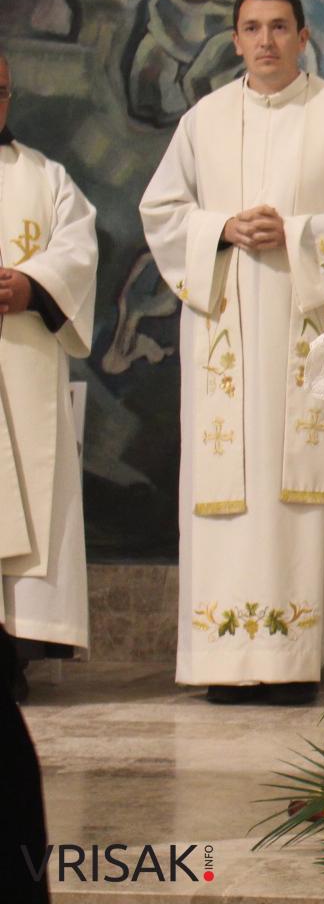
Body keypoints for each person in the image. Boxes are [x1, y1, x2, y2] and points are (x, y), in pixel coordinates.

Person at [140, 0, 324, 704]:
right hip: (226, 337)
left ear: (305, 35)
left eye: (279, 27)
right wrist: (220, 229)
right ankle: (223, 663)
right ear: (235, 38)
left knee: (299, 493)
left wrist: (297, 233)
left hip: (305, 336)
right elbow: (162, 210)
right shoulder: (205, 119)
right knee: (229, 495)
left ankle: (294, 657)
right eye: (251, 28)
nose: (265, 42)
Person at [0, 52, 99, 679]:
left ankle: (11, 650)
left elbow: (77, 250)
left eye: (0, 88)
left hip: (21, 365)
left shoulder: (44, 176)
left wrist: (31, 286)